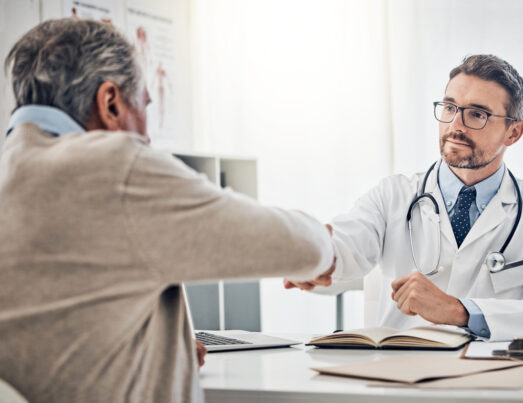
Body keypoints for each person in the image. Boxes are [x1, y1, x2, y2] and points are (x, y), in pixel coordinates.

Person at [0, 18, 335, 403]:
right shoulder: (114, 167)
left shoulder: (12, 171)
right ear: (110, 103)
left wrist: (163, 351)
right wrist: (327, 245)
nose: (148, 133)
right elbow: (302, 248)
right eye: (144, 104)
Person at [285, 54, 523, 342]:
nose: (455, 126)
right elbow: (347, 243)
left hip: (496, 383)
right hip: (403, 380)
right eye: (449, 108)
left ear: (513, 133)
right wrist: (316, 255)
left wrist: (460, 310)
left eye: (477, 114)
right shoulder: (393, 195)